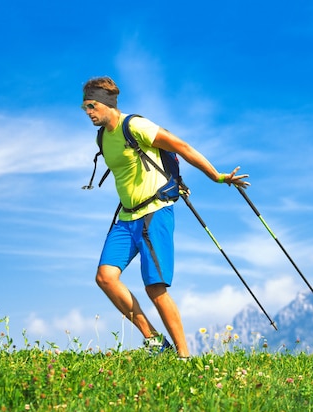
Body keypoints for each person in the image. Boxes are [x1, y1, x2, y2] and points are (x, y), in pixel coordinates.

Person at [82, 76, 250, 357]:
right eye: (84, 106)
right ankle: (155, 342)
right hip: (126, 217)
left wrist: (217, 177)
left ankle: (184, 357)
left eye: (91, 105)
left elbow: (181, 146)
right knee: (105, 277)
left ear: (106, 103)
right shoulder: (103, 136)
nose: (87, 112)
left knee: (155, 288)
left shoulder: (134, 126)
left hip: (154, 213)